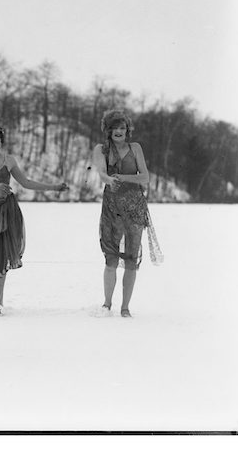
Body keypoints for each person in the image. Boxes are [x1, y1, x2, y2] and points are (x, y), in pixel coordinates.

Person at [0, 122, 69, 315]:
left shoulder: (8, 160)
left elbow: (26, 183)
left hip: (6, 210)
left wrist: (54, 187)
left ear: (2, 140)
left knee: (1, 252)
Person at [91, 109, 150, 318]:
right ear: (108, 130)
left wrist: (124, 178)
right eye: (115, 128)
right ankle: (107, 304)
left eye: (122, 128)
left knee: (132, 258)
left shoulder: (135, 148)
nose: (119, 131)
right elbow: (101, 173)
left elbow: (144, 177)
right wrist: (109, 180)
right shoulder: (101, 149)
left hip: (134, 205)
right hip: (112, 206)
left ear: (127, 130)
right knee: (111, 257)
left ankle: (125, 308)